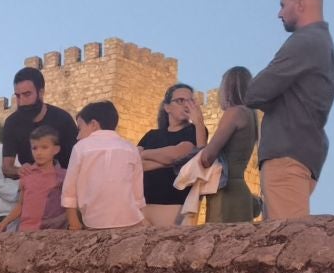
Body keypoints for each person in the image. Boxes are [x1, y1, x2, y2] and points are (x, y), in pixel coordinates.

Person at [246, 0, 334, 220]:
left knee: (285, 235)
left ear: (300, 5)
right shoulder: (322, 43)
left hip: (287, 154)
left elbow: (254, 92)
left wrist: (268, 96)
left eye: (282, 5)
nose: (279, 13)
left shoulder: (305, 41)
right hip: (303, 151)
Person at [60, 101, 145, 231]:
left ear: (93, 124)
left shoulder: (80, 147)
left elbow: (69, 191)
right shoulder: (131, 148)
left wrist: (74, 224)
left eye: (80, 128)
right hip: (131, 220)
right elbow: (137, 193)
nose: (77, 136)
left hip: (94, 223)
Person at [194, 67, 261, 224]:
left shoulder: (234, 113)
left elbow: (207, 157)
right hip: (240, 192)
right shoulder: (251, 115)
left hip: (226, 194)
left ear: (229, 89)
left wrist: (198, 124)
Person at [137, 84, 202, 227]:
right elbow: (135, 164)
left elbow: (179, 154)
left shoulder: (195, 130)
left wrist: (145, 153)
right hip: (142, 205)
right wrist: (171, 162)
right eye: (180, 100)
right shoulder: (151, 135)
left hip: (173, 204)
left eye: (190, 101)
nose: (186, 105)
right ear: (167, 107)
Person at [0, 65, 79, 182]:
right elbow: (7, 168)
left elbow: (77, 161)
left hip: (64, 184)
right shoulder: (12, 123)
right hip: (31, 184)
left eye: (27, 94)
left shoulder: (63, 119)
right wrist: (19, 170)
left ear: (41, 92)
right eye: (18, 96)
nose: (21, 102)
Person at [0, 122, 68, 232]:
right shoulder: (27, 174)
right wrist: (4, 223)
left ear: (56, 149)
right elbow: (21, 205)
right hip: (27, 231)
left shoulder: (64, 176)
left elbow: (71, 205)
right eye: (35, 148)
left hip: (54, 232)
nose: (39, 152)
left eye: (44, 147)